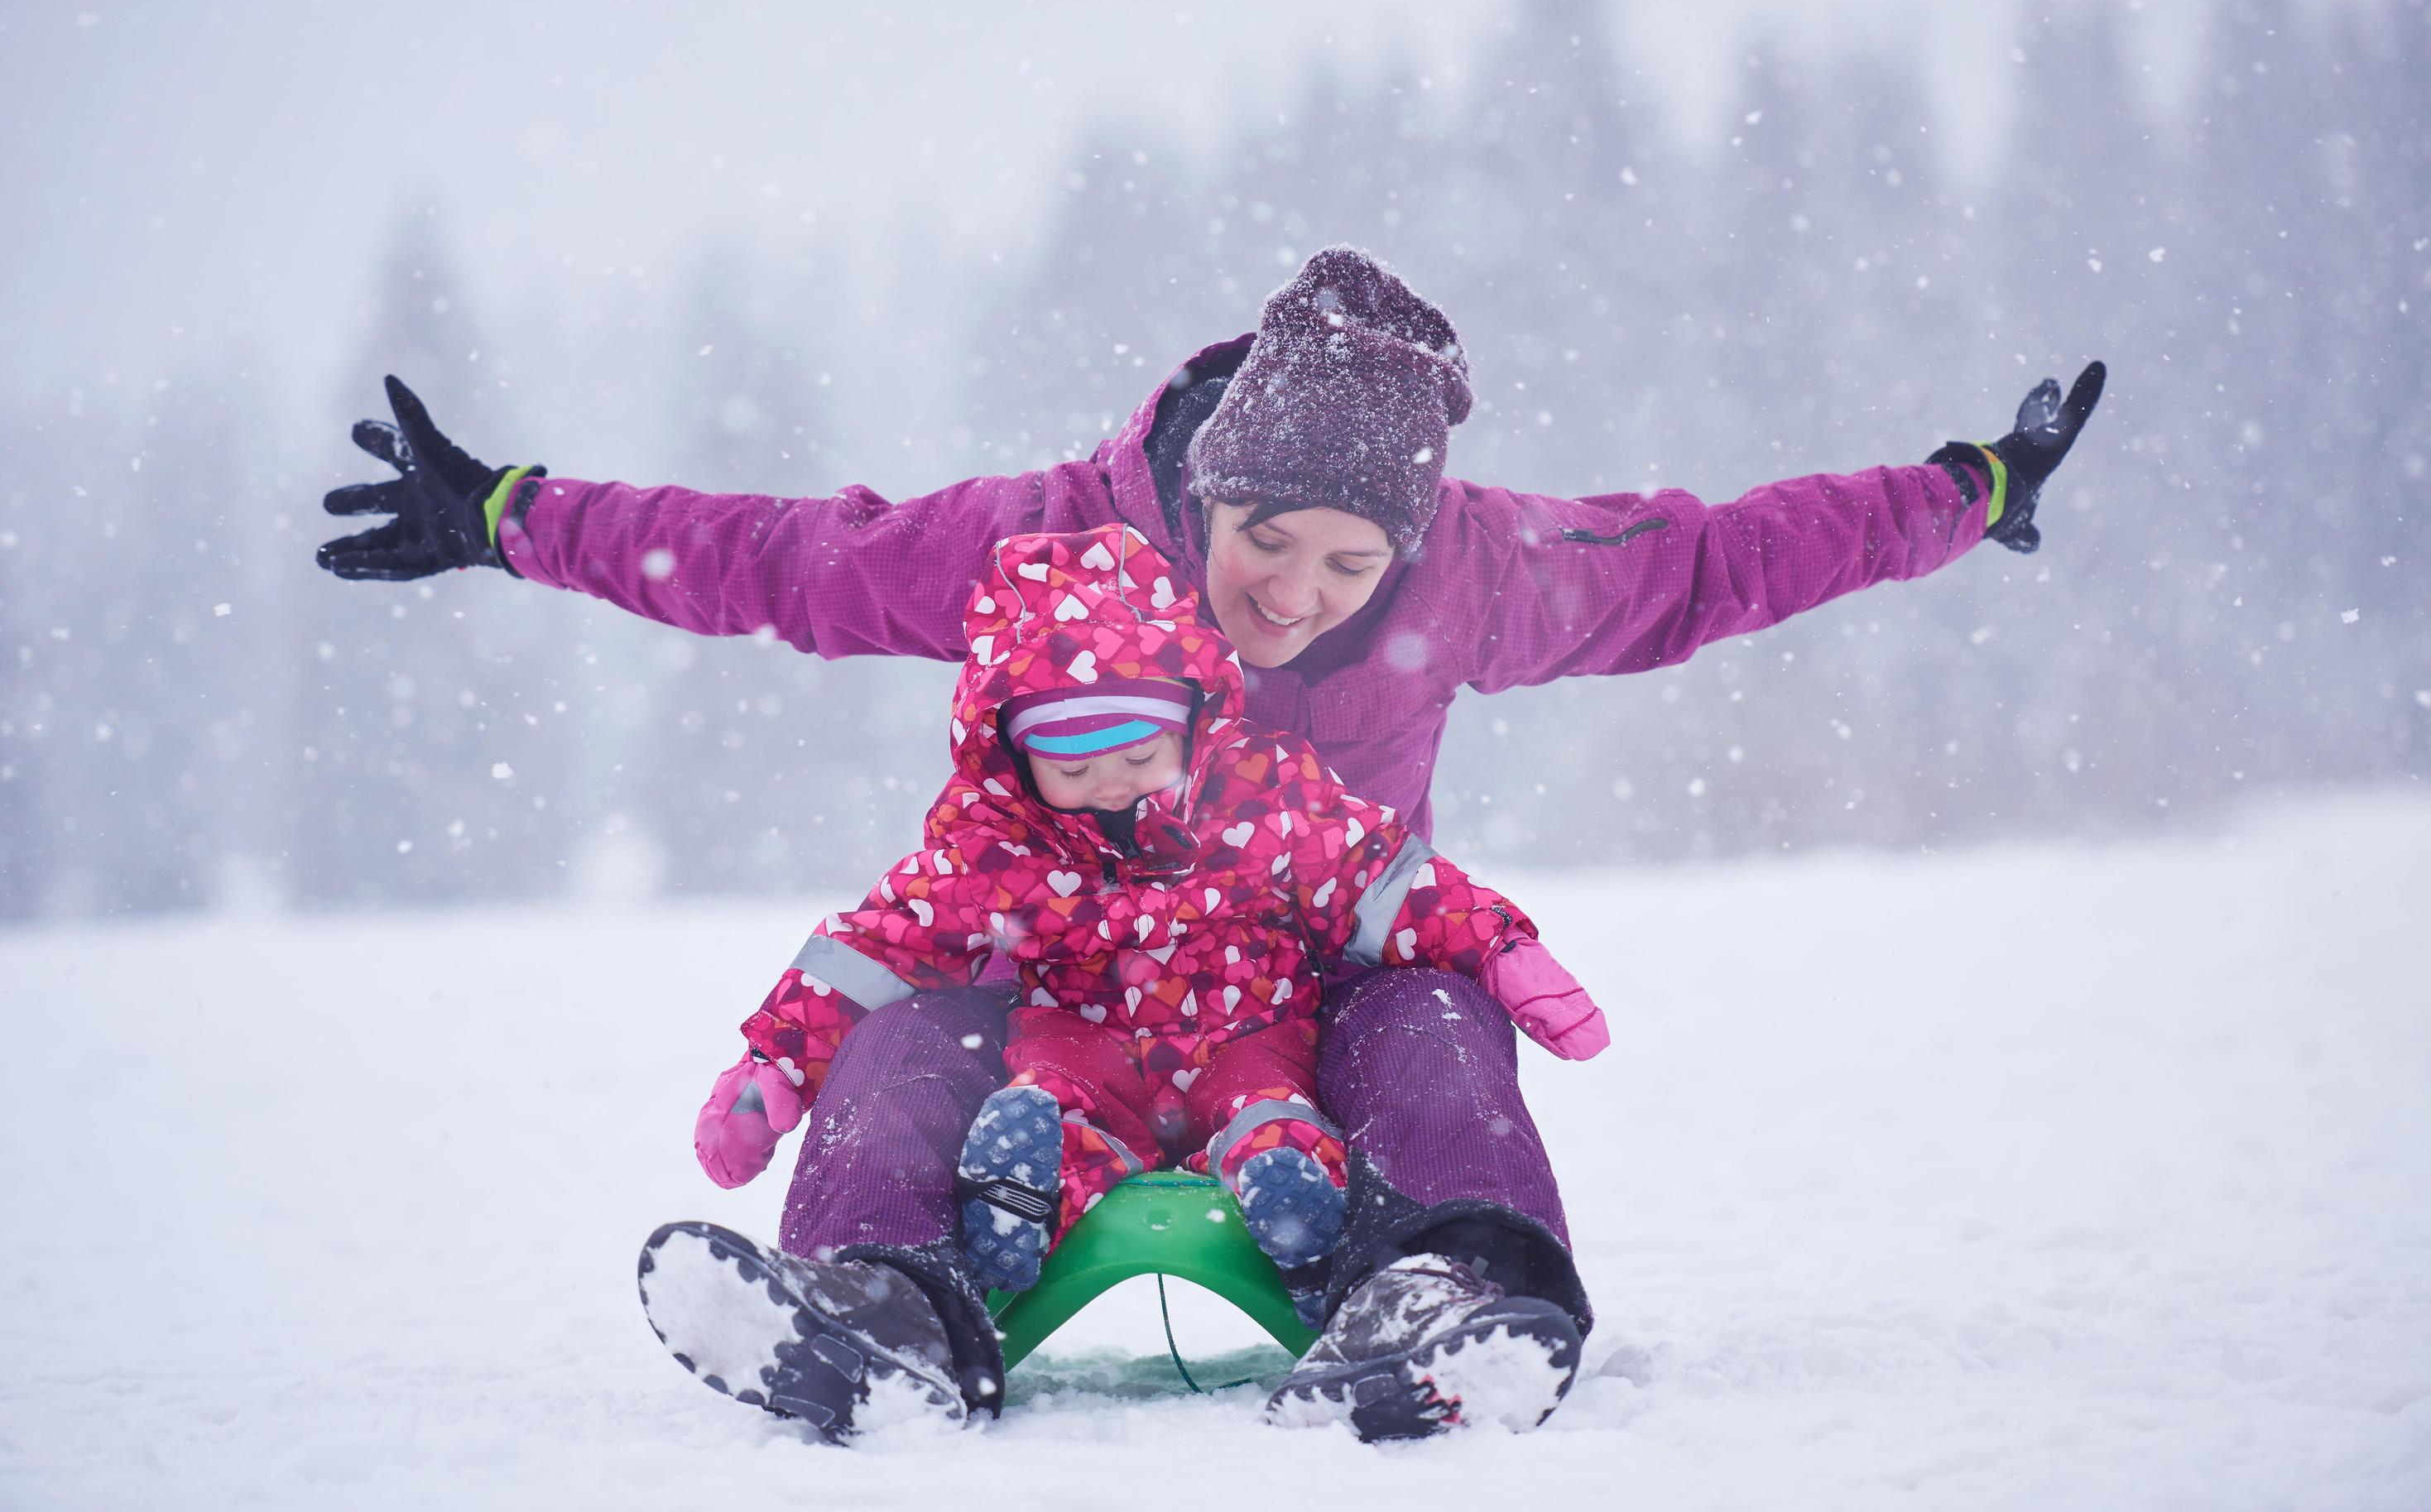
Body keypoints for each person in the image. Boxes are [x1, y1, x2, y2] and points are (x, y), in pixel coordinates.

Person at [320, 245, 2104, 1442]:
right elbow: (798, 559)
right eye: (1266, 542)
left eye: (1351, 565)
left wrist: (1966, 491)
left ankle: (1449, 1293)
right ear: (1205, 488)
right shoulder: (1050, 543)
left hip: (1312, 995)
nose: (1297, 594)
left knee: (1434, 1014)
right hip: (1057, 996)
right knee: (907, 1023)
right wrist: (514, 516)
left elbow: (1711, 562)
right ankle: (875, 1305)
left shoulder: (1475, 567)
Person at [685, 521, 1604, 1355]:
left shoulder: (1259, 796)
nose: (1113, 787)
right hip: (1077, 1052)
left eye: (1137, 756)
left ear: (1193, 720)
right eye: (1075, 766)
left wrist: (1500, 948)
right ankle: (883, 1297)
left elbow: (1379, 876)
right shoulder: (994, 842)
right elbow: (878, 944)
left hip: (1253, 1039)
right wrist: (775, 1063)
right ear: (1013, 756)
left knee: (1382, 1041)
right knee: (1002, 1087)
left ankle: (1442, 1287)